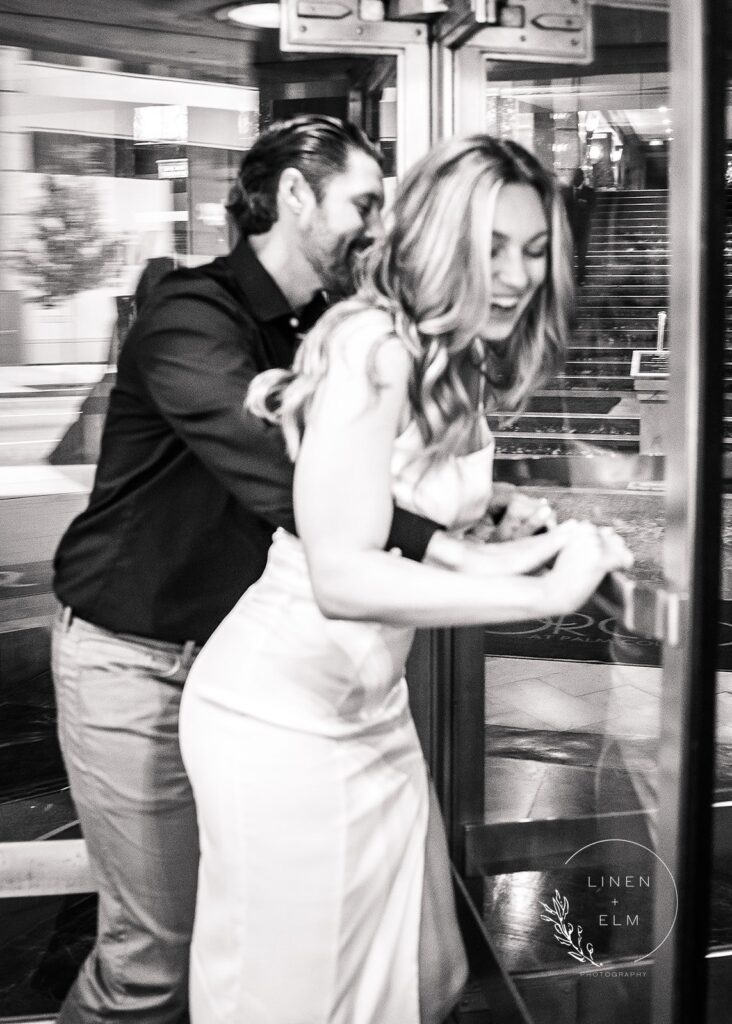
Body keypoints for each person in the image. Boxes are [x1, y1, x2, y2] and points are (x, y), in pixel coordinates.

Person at [178, 134, 633, 1024]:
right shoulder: (371, 345)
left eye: (535, 251)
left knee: (424, 979)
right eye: (491, 247)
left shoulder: (441, 353)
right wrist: (540, 594)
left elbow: (386, 505)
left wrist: (490, 513)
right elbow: (343, 574)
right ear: (435, 238)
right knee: (297, 1002)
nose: (515, 275)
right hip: (281, 716)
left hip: (364, 709)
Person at [51, 115, 481, 1024]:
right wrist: (452, 552)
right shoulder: (189, 315)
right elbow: (289, 483)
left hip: (253, 677)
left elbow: (381, 460)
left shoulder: (331, 327)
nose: (377, 223)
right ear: (294, 195)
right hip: (137, 664)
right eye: (363, 201)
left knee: (229, 945)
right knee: (152, 964)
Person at [564, 167, 595, 285]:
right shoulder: (566, 191)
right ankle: (569, 279)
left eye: (577, 177)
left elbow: (593, 208)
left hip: (583, 229)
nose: (575, 179)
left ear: (582, 178)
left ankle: (581, 278)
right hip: (570, 230)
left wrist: (584, 206)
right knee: (569, 256)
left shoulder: (589, 192)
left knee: (582, 255)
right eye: (574, 177)